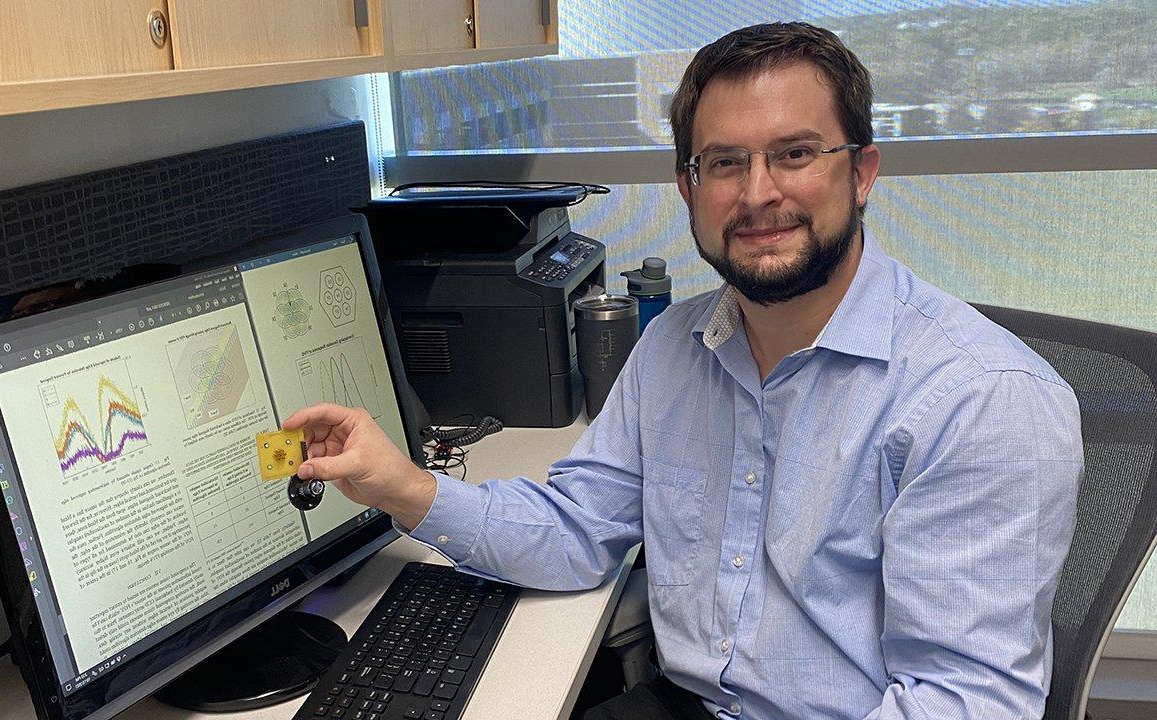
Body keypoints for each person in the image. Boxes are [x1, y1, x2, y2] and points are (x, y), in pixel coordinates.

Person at [283, 22, 1083, 720]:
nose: (759, 193)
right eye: (725, 163)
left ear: (862, 171)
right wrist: (404, 487)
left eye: (795, 154)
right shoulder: (673, 349)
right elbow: (577, 531)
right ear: (689, 188)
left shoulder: (983, 401)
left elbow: (964, 700)